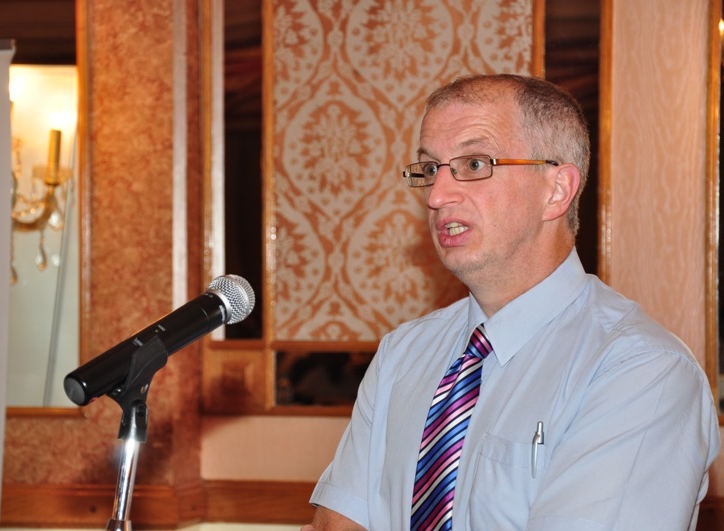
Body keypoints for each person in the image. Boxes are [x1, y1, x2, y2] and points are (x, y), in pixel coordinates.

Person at [302, 74, 721, 531]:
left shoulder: (641, 370)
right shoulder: (403, 353)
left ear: (556, 190)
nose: (437, 196)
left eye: (474, 164)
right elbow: (336, 525)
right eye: (430, 169)